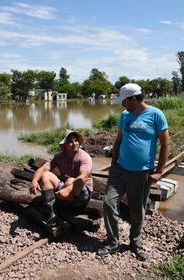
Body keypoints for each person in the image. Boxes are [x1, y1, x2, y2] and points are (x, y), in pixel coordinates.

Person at [97, 83, 170, 261]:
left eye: (124, 100)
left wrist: (159, 171)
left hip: (141, 173)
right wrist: (113, 165)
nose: (122, 104)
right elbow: (118, 141)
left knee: (137, 210)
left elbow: (165, 144)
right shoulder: (125, 115)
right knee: (109, 203)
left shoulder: (156, 115)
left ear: (133, 99)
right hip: (119, 169)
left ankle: (135, 242)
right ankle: (113, 241)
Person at [31, 130, 93, 230]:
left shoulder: (84, 157)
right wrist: (34, 181)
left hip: (82, 193)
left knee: (71, 180)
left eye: (76, 140)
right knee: (45, 175)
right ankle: (51, 212)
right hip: (65, 188)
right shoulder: (59, 157)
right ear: (64, 145)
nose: (74, 143)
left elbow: (84, 175)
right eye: (70, 141)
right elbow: (43, 168)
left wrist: (69, 188)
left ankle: (62, 200)